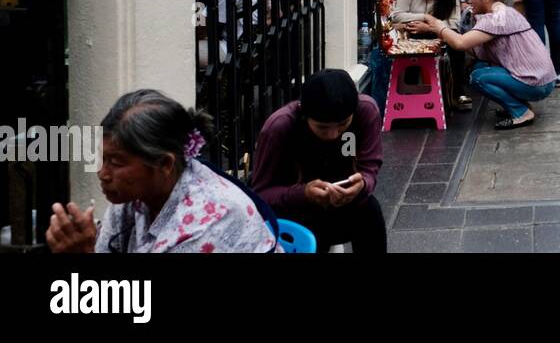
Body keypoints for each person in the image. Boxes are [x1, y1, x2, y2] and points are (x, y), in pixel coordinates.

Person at [45, 90, 278, 253]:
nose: (102, 173)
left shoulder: (209, 221)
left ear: (164, 164)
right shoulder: (134, 197)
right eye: (102, 159)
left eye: (116, 162)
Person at [251, 70, 386, 254]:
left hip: (345, 206)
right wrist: (304, 193)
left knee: (370, 211)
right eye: (322, 127)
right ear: (305, 115)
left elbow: (370, 166)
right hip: (297, 213)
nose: (333, 134)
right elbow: (261, 194)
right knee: (309, 233)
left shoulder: (366, 111)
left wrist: (362, 183)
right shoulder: (279, 127)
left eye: (343, 124)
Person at [430, 0, 556, 130]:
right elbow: (477, 52)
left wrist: (438, 26)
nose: (469, 1)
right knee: (480, 66)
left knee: (478, 77)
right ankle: (518, 105)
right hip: (544, 78)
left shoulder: (495, 19)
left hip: (537, 83)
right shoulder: (505, 11)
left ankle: (520, 111)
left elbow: (460, 43)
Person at [388, 0, 472, 112]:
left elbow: (454, 23)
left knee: (456, 44)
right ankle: (411, 93)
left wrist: (432, 26)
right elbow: (395, 15)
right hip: (410, 32)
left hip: (436, 33)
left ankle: (458, 93)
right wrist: (425, 17)